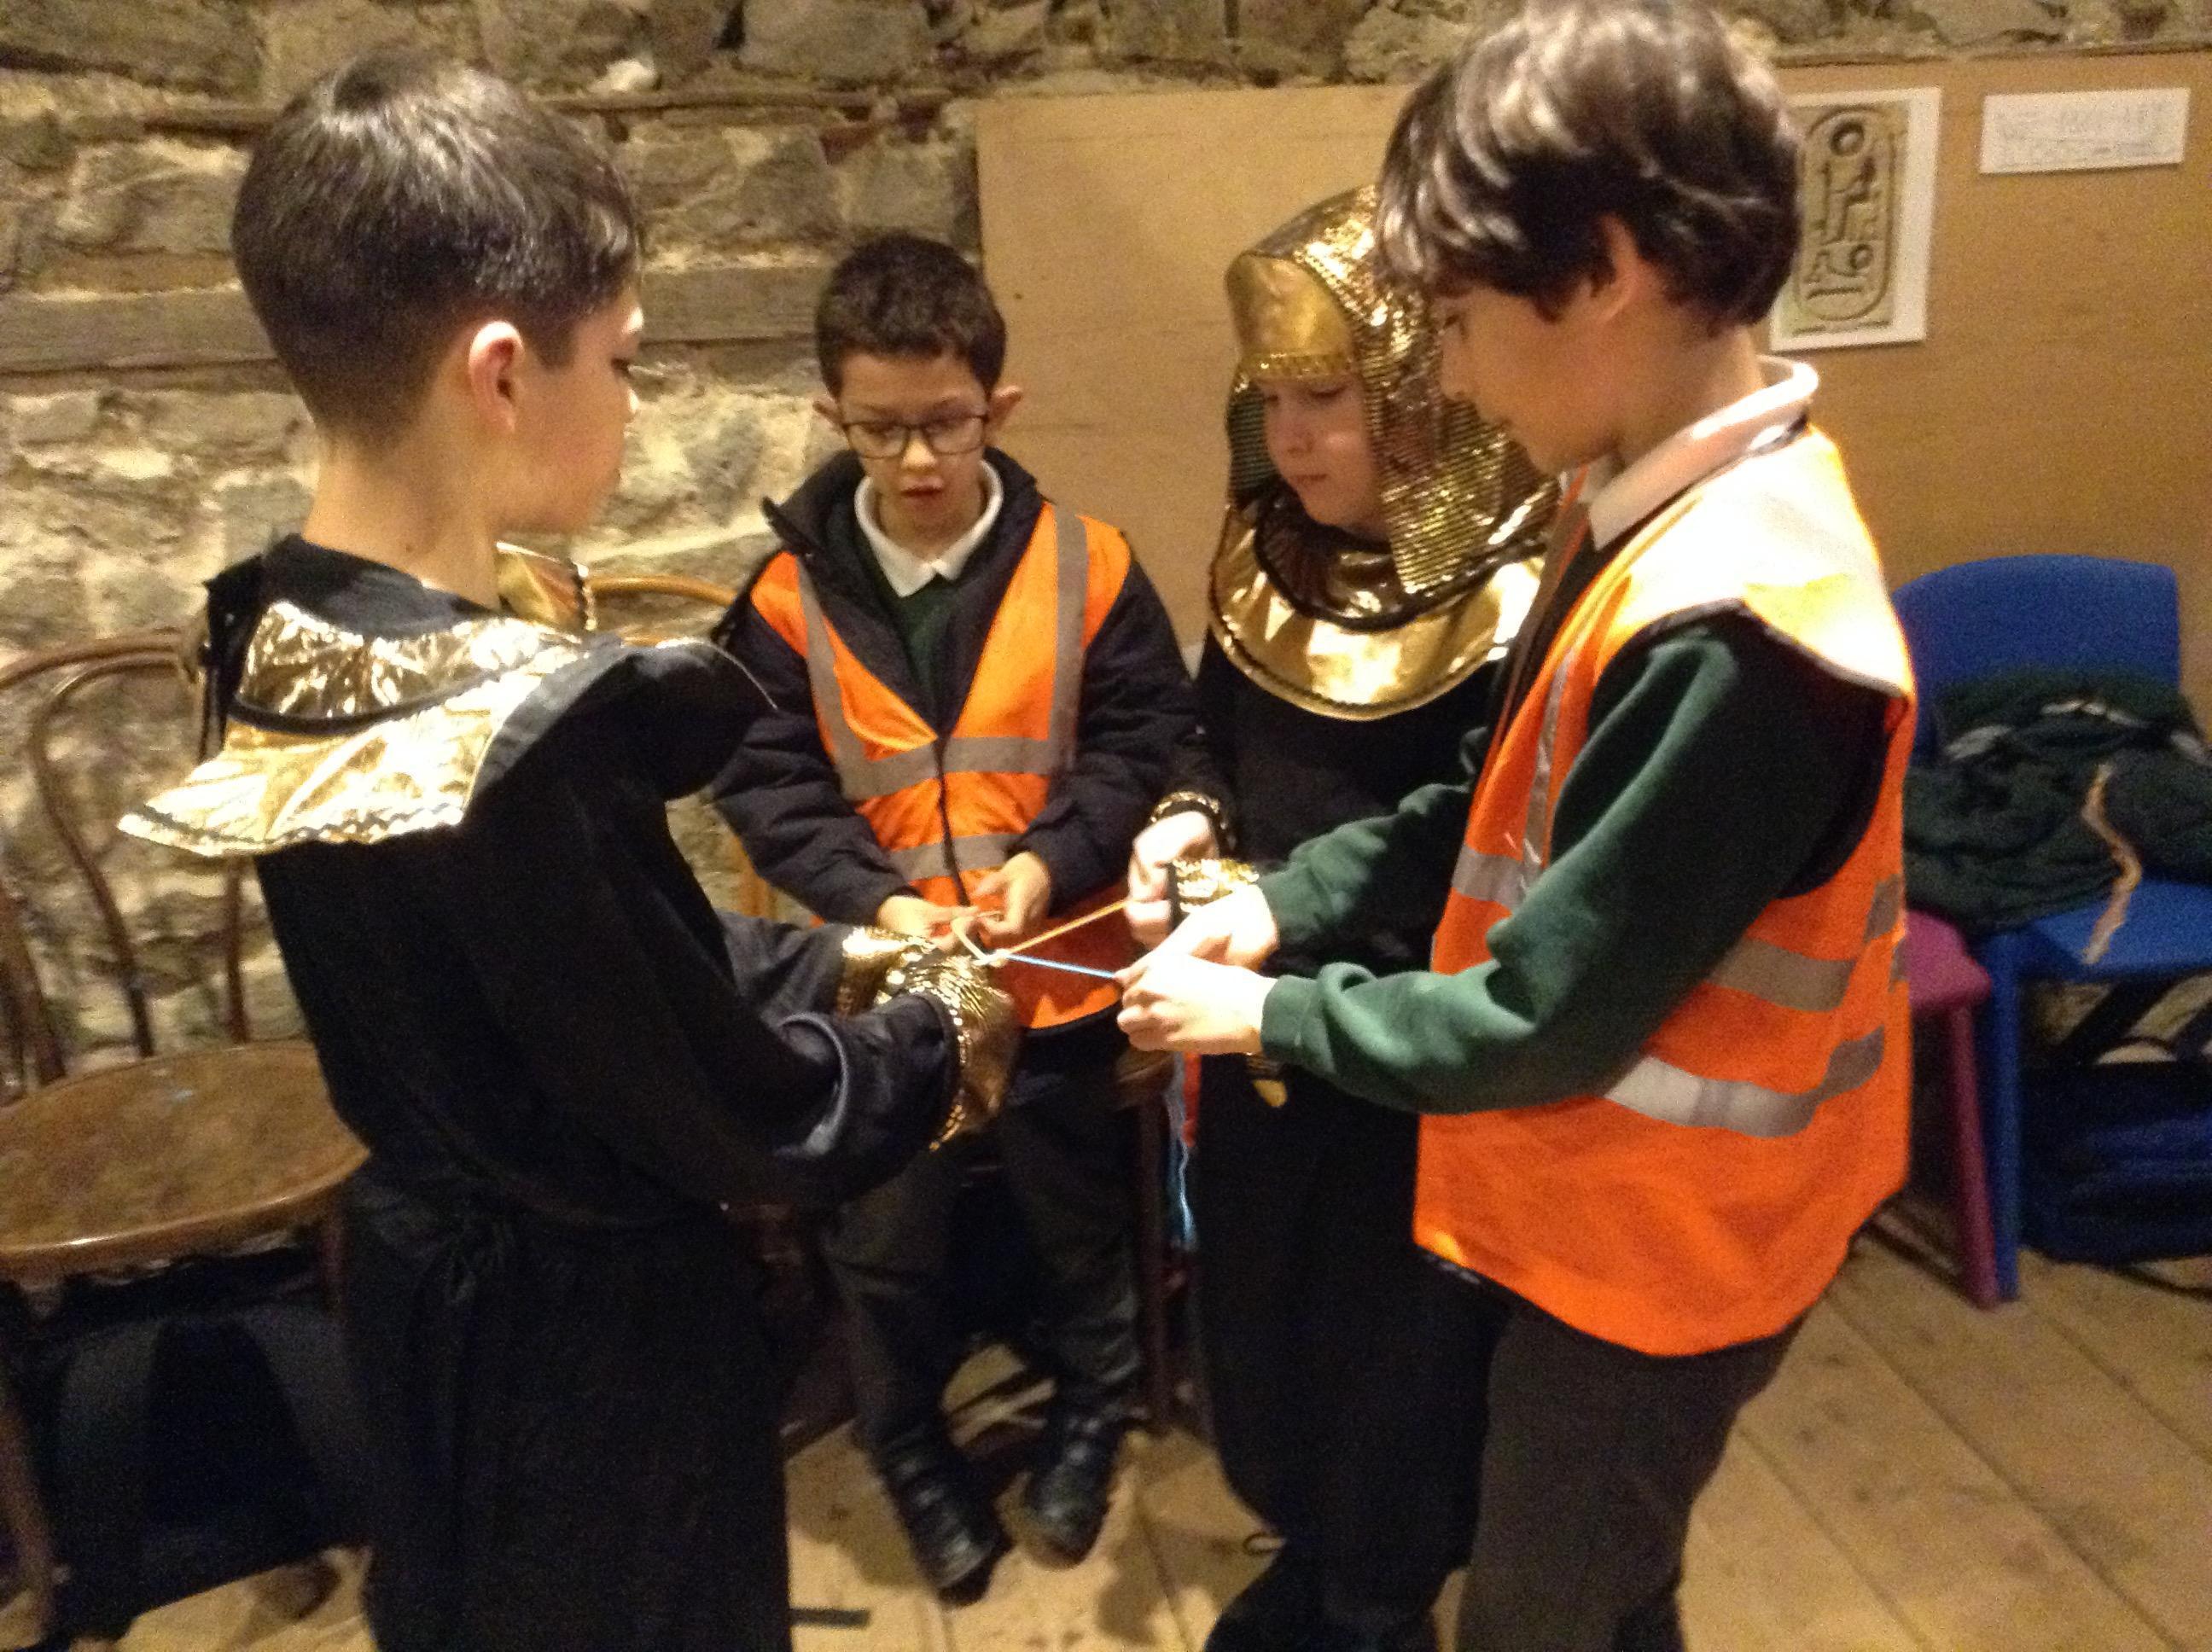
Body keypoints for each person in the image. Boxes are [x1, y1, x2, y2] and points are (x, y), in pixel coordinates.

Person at [121, 53, 1015, 1652]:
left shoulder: (270, 615)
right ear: (500, 372)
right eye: (620, 358)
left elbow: (590, 987)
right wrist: (945, 1034)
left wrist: (836, 951)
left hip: (421, 1290)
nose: (631, 399)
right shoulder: (511, 731)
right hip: (586, 1357)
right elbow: (743, 1111)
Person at [1119, 4, 1917, 1648]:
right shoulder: (1633, 507)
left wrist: (1265, 1015)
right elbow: (1490, 801)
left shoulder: (1738, 629)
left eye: (1462, 319)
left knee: (1546, 1613)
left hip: (1664, 1262)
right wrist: (1285, 901)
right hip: (1598, 1218)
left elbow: (1542, 1015)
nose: (1458, 376)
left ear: (1606, 268)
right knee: (1615, 1591)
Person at [711, 234, 1196, 1601]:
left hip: (1053, 974)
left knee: (1077, 1215)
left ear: (1000, 406)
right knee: (886, 1237)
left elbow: (1144, 736)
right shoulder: (785, 599)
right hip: (888, 996)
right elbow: (767, 782)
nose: (917, 460)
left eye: (947, 423)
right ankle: (909, 1443)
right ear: (834, 415)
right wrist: (877, 903)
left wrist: (1052, 860)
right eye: (881, 430)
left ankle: (1092, 1411)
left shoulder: (1088, 564)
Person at [1121, 186, 1553, 1652]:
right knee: (1267, 1325)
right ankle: (1315, 1556)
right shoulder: (1268, 545)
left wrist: (1277, 918)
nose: (1294, 437)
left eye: (1329, 398)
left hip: (1407, 1045)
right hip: (1252, 1026)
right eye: (1273, 399)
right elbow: (1214, 733)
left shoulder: (1519, 593)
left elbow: (1469, 831)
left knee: (1400, 1359)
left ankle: (1376, 1598)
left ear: (1418, 395)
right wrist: (1191, 815)